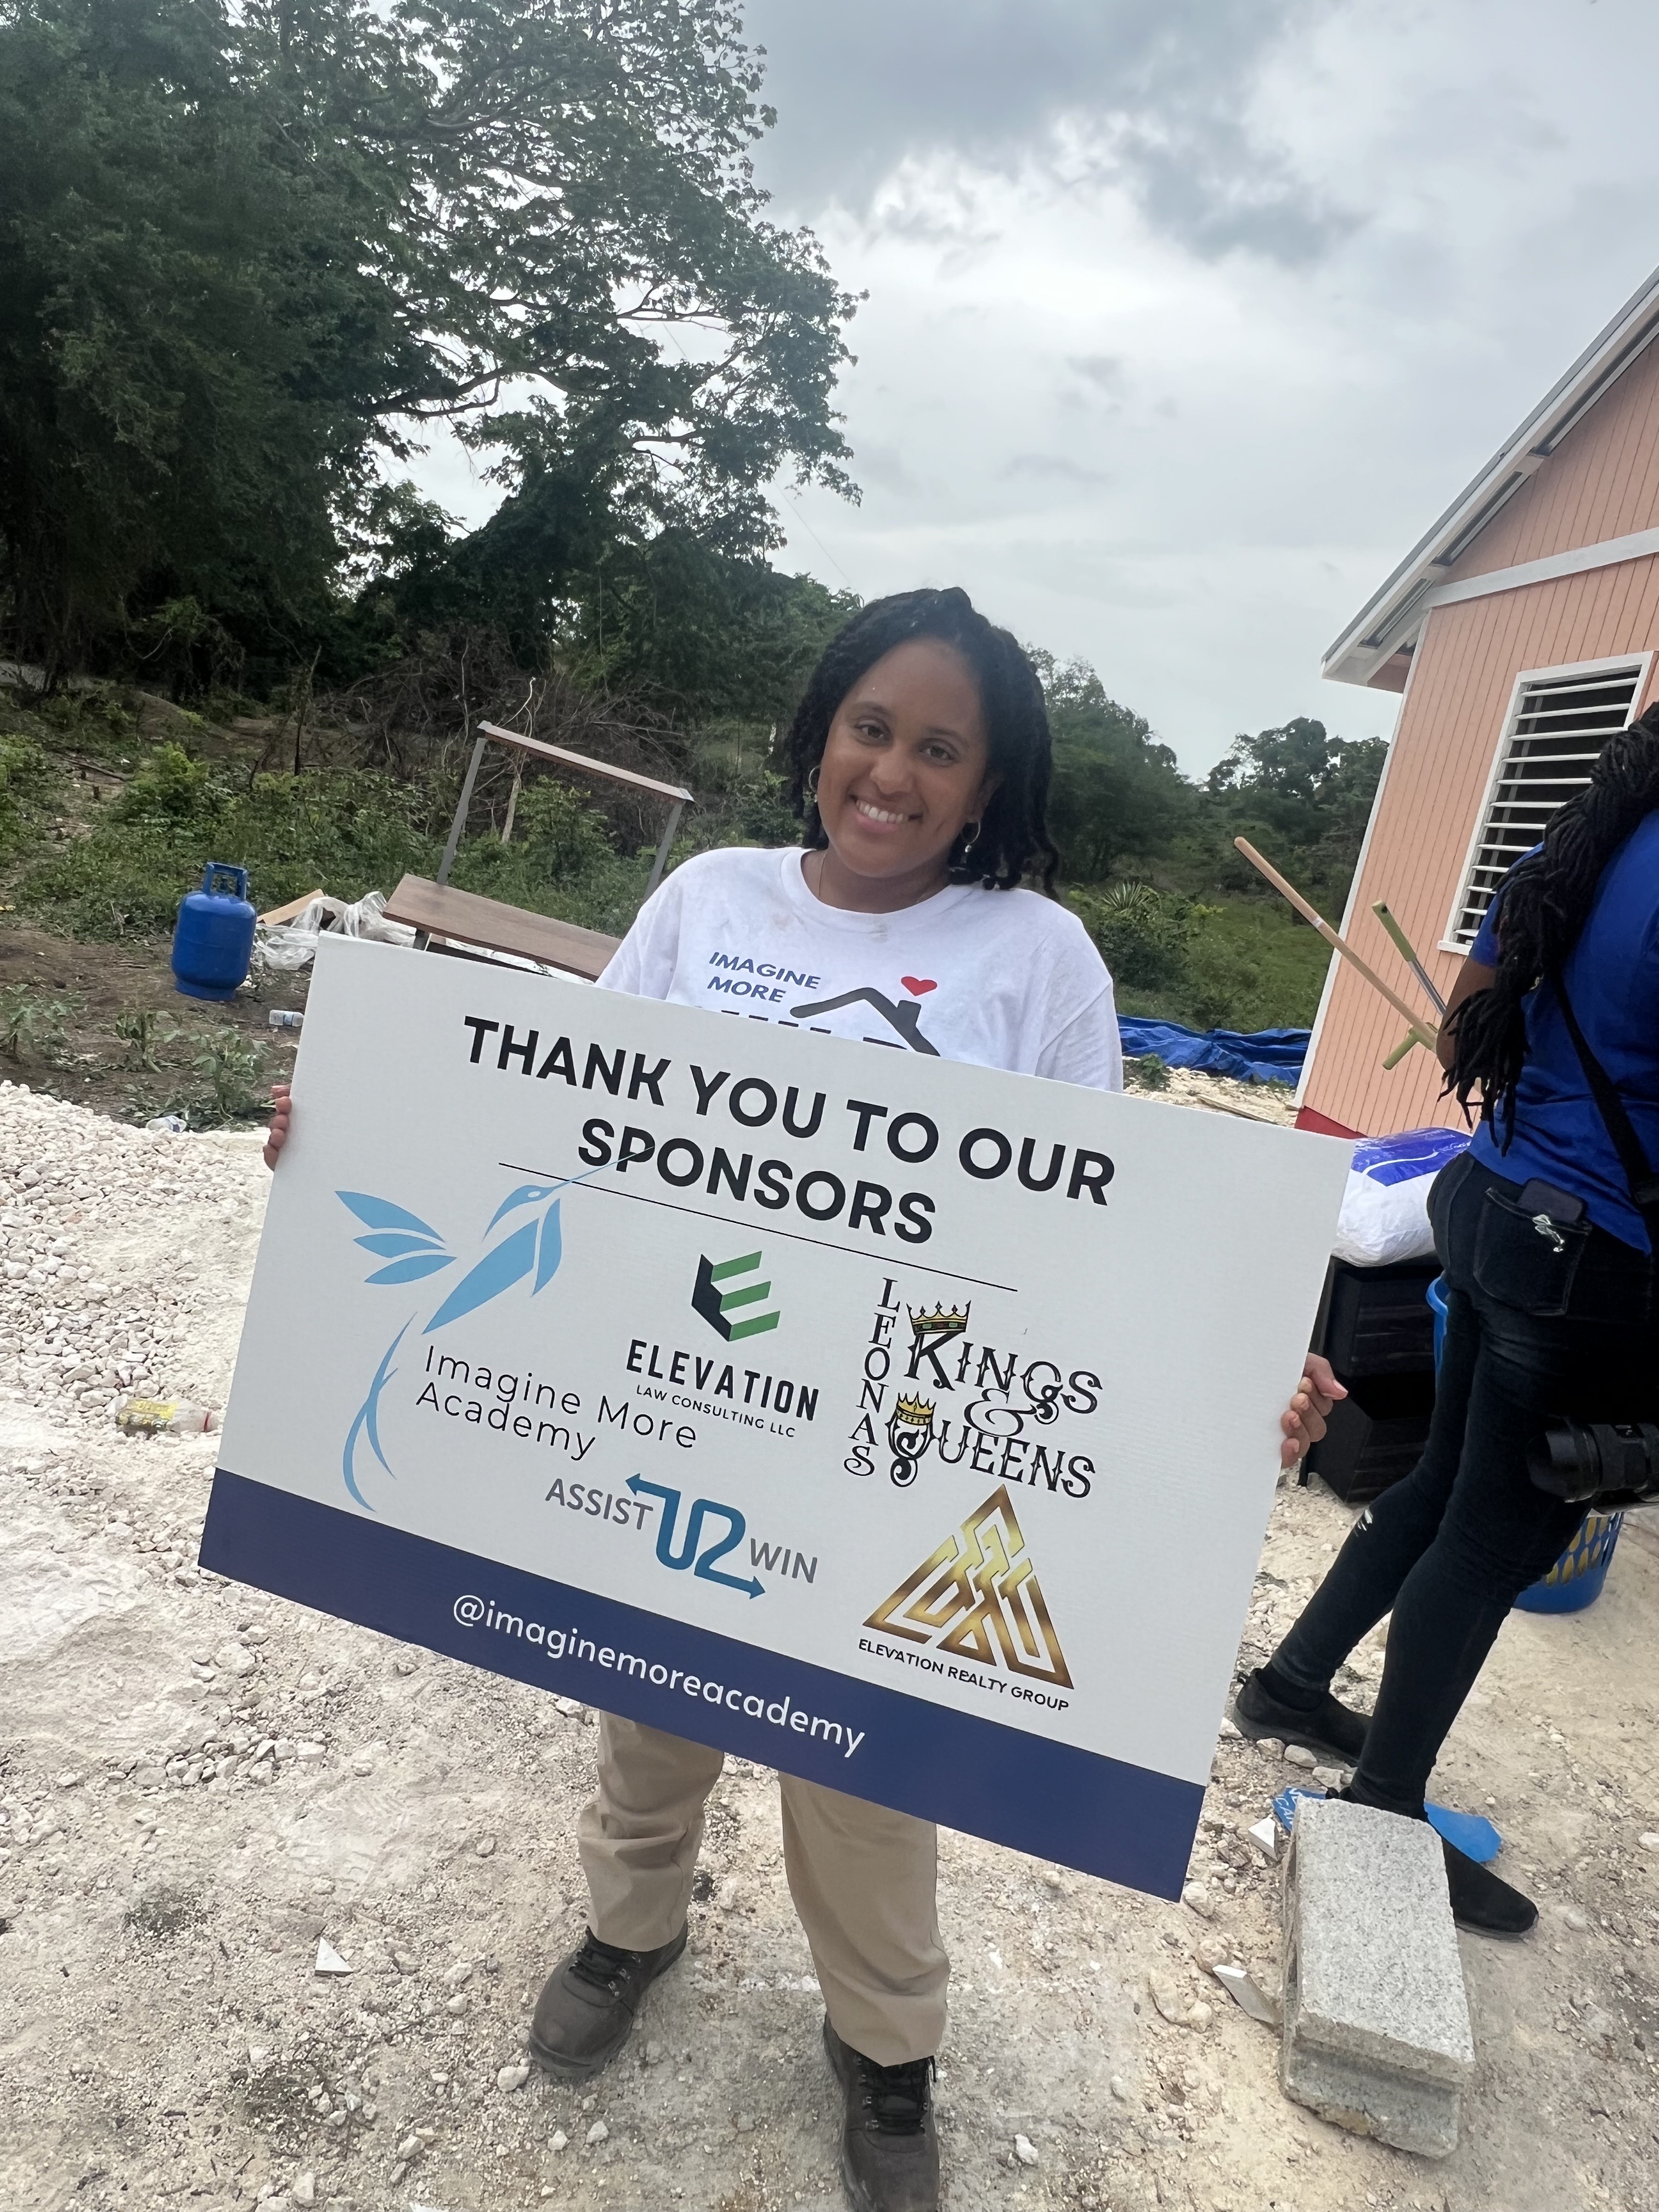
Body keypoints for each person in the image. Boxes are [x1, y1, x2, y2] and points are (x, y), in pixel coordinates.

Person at [266, 586, 1340, 2212]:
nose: (892, 774)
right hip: (672, 1392)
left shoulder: (1037, 958)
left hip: (885, 1439)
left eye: (939, 751)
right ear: (821, 731)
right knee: (649, 1702)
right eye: (869, 728)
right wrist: (352, 1131)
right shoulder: (710, 899)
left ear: (989, 785)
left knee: (868, 1769)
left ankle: (888, 2048)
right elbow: (548, 1121)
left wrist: (1238, 1372)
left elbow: (1105, 1233)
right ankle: (630, 1932)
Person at [1232, 703, 1659, 1939]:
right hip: (1590, 1257)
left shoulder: (1589, 836)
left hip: (1492, 1197)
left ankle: (1292, 1686)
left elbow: (1471, 1020)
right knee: (1494, 1537)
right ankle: (1382, 1808)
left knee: (1441, 1487)